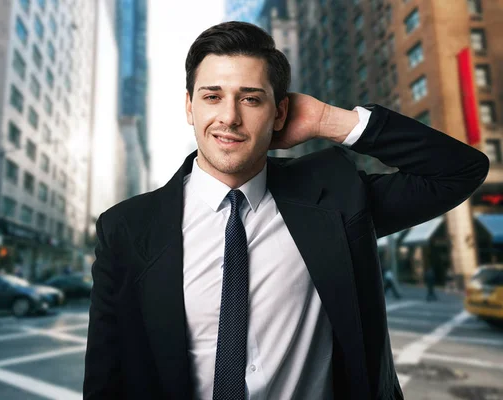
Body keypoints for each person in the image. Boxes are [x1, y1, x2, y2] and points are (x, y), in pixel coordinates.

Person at [83, 21, 489, 400]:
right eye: (212, 96)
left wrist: (328, 120)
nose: (229, 117)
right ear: (190, 107)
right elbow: (106, 375)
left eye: (251, 99)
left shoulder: (336, 200)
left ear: (279, 112)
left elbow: (459, 171)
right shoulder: (125, 229)